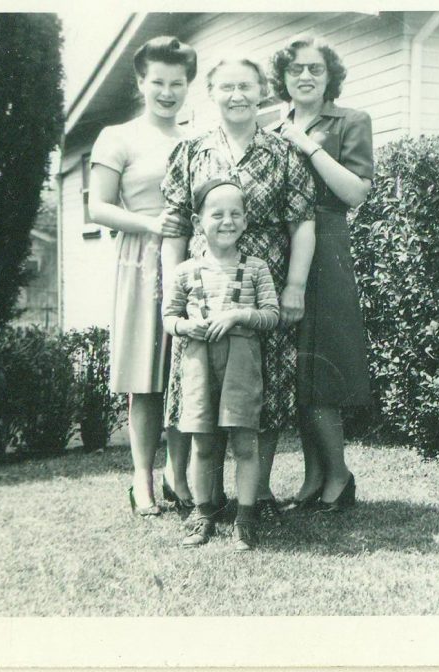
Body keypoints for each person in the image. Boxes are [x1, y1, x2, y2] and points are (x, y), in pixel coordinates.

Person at [161, 56, 316, 525]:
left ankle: (258, 492)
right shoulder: (190, 152)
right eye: (226, 86)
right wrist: (177, 285)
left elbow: (303, 222)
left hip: (261, 288)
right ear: (211, 93)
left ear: (262, 91)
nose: (237, 95)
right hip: (202, 290)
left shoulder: (284, 152)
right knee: (200, 389)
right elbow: (172, 225)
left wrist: (294, 286)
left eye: (246, 86)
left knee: (262, 387)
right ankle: (206, 499)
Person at [87, 36, 197, 516]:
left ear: (188, 85)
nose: (167, 92)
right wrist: (151, 223)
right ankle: (142, 481)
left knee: (185, 374)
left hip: (192, 264)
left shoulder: (195, 140)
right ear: (140, 82)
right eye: (158, 82)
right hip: (140, 262)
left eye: (177, 82)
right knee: (145, 378)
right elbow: (97, 207)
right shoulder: (118, 136)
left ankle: (179, 476)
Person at [269, 36, 374, 512]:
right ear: (283, 78)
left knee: (323, 363)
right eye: (295, 70)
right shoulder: (272, 128)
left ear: (330, 75)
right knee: (295, 369)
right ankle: (314, 479)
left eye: (315, 69)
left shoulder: (350, 121)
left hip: (327, 243)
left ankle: (339, 477)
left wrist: (305, 146)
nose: (305, 77)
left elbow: (354, 192)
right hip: (280, 247)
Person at [163, 177, 280, 551]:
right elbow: (168, 318)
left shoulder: (257, 268)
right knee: (202, 444)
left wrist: (237, 316)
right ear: (199, 222)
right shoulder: (185, 271)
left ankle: (245, 519)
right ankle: (203, 514)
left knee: (245, 443)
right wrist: (187, 325)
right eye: (217, 214)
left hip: (242, 362)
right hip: (198, 361)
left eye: (235, 214)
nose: (227, 221)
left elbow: (272, 315)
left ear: (246, 222)